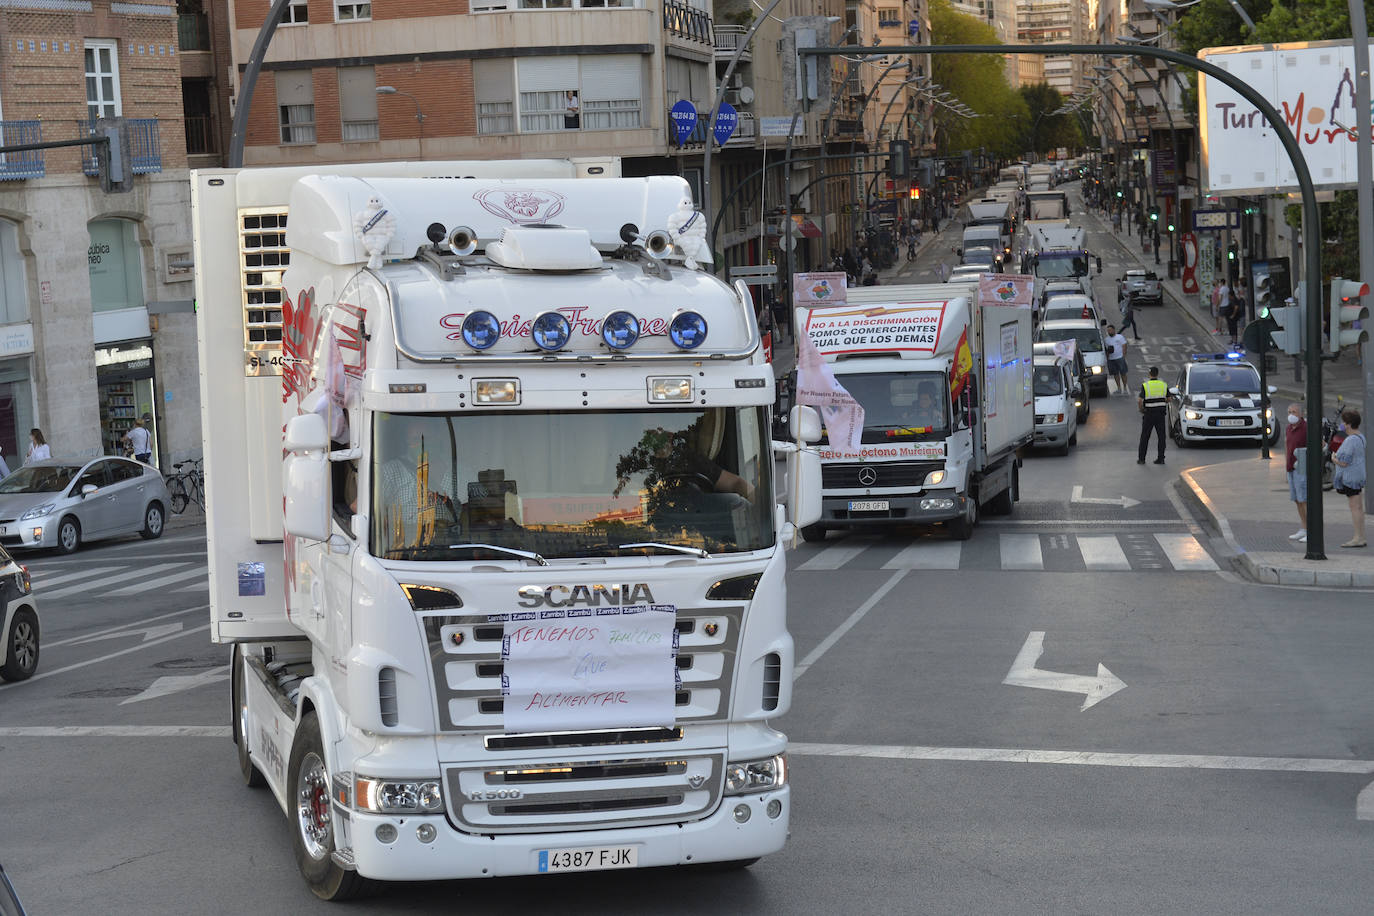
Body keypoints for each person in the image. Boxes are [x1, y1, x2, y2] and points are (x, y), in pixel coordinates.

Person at [1330, 409, 1367, 548]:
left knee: (1354, 508)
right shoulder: (1361, 437)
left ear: (1349, 424)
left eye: (1344, 422)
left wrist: (1334, 459)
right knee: (1359, 507)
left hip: (1351, 477)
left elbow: (1344, 461)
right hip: (1359, 475)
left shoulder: (1350, 440)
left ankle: (1357, 538)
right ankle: (1361, 536)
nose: (1342, 425)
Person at [1283, 403, 1309, 543]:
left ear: (1301, 414)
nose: (1291, 415)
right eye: (1289, 412)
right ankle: (1303, 528)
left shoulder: (1306, 428)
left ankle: (1311, 530)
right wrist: (1285, 468)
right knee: (1297, 500)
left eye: (1294, 412)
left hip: (1302, 469)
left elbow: (1320, 444)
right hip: (1291, 468)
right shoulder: (1288, 428)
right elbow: (1287, 446)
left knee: (1304, 499)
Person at [1137, 366, 1168, 465]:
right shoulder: (1163, 385)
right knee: (1161, 437)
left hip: (1149, 414)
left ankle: (1142, 459)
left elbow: (1140, 400)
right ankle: (1161, 458)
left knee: (1145, 437)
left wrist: (1142, 410)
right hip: (1160, 414)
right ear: (1157, 374)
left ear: (1150, 374)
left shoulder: (1146, 385)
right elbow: (1169, 399)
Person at [1104, 324, 1129, 394]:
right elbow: (1106, 350)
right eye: (1108, 330)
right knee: (1115, 374)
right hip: (1111, 359)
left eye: (1110, 330)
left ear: (1114, 330)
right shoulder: (1106, 339)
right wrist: (1107, 358)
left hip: (1120, 358)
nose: (1109, 331)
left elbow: (1124, 346)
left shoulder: (1119, 337)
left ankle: (1125, 387)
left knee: (1123, 373)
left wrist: (1123, 356)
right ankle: (1118, 388)